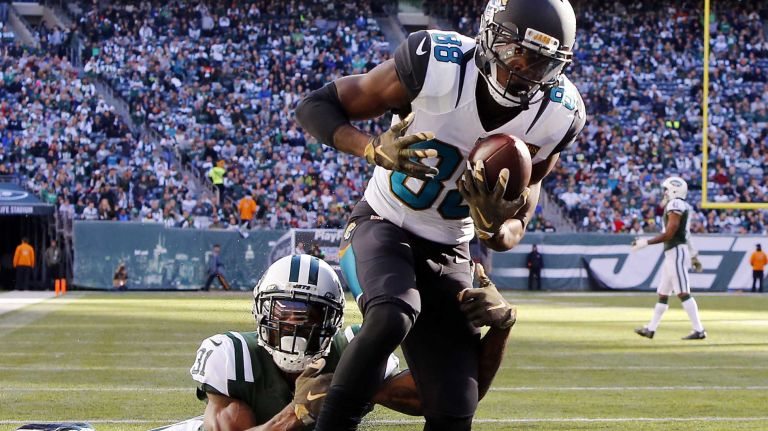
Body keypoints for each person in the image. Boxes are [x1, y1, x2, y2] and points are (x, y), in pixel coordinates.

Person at [296, 0, 584, 428]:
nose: (522, 70)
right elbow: (315, 106)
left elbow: (517, 221)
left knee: (455, 402)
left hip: (450, 246)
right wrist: (371, 147)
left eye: (541, 62)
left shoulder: (557, 115)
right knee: (393, 313)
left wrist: (493, 227)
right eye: (515, 52)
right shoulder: (437, 64)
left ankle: (335, 385)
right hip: (383, 222)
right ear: (489, 37)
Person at [188, 255, 514, 430]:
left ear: (332, 320)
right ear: (261, 311)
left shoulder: (352, 352)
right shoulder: (234, 357)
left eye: (311, 315)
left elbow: (452, 399)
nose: (295, 327)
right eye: (285, 312)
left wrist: (501, 328)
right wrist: (295, 415)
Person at [631, 177, 706, 340]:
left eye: (666, 189)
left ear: (674, 190)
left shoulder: (675, 204)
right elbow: (687, 234)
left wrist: (646, 242)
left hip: (676, 252)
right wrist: (694, 255)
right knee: (663, 293)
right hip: (673, 253)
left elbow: (670, 233)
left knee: (683, 292)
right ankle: (651, 329)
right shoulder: (680, 205)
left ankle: (699, 330)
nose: (664, 193)